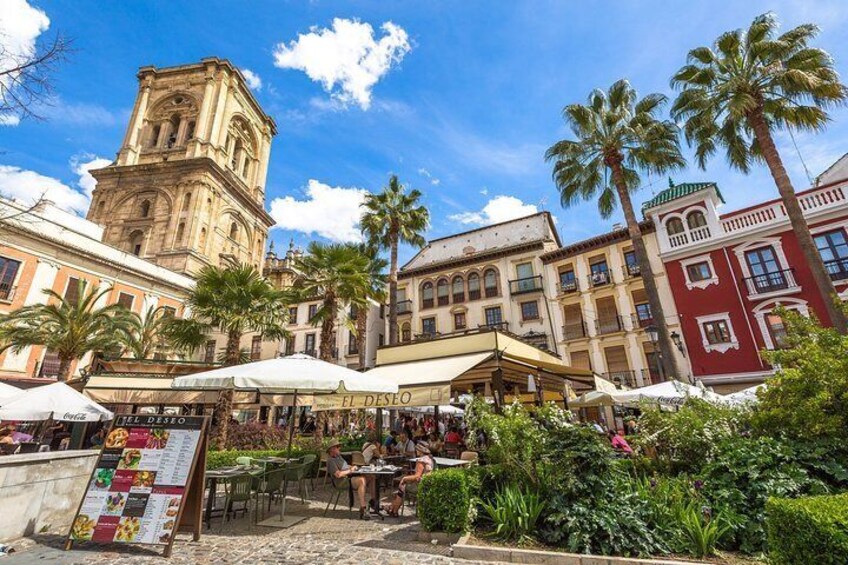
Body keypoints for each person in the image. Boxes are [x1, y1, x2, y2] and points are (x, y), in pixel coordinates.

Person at [326, 440, 376, 520]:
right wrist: (351, 470)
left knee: (371, 477)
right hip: (342, 481)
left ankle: (374, 502)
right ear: (332, 449)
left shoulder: (339, 457)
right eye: (337, 447)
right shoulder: (331, 461)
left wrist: (353, 467)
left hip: (349, 477)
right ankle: (363, 508)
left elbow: (345, 467)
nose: (340, 448)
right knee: (361, 480)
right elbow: (338, 475)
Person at [384, 441, 434, 516]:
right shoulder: (430, 459)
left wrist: (405, 478)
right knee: (403, 487)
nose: (416, 451)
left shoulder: (421, 461)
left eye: (417, 449)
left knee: (402, 485)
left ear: (420, 451)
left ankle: (394, 510)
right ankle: (393, 508)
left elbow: (417, 476)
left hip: (420, 486)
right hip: (428, 484)